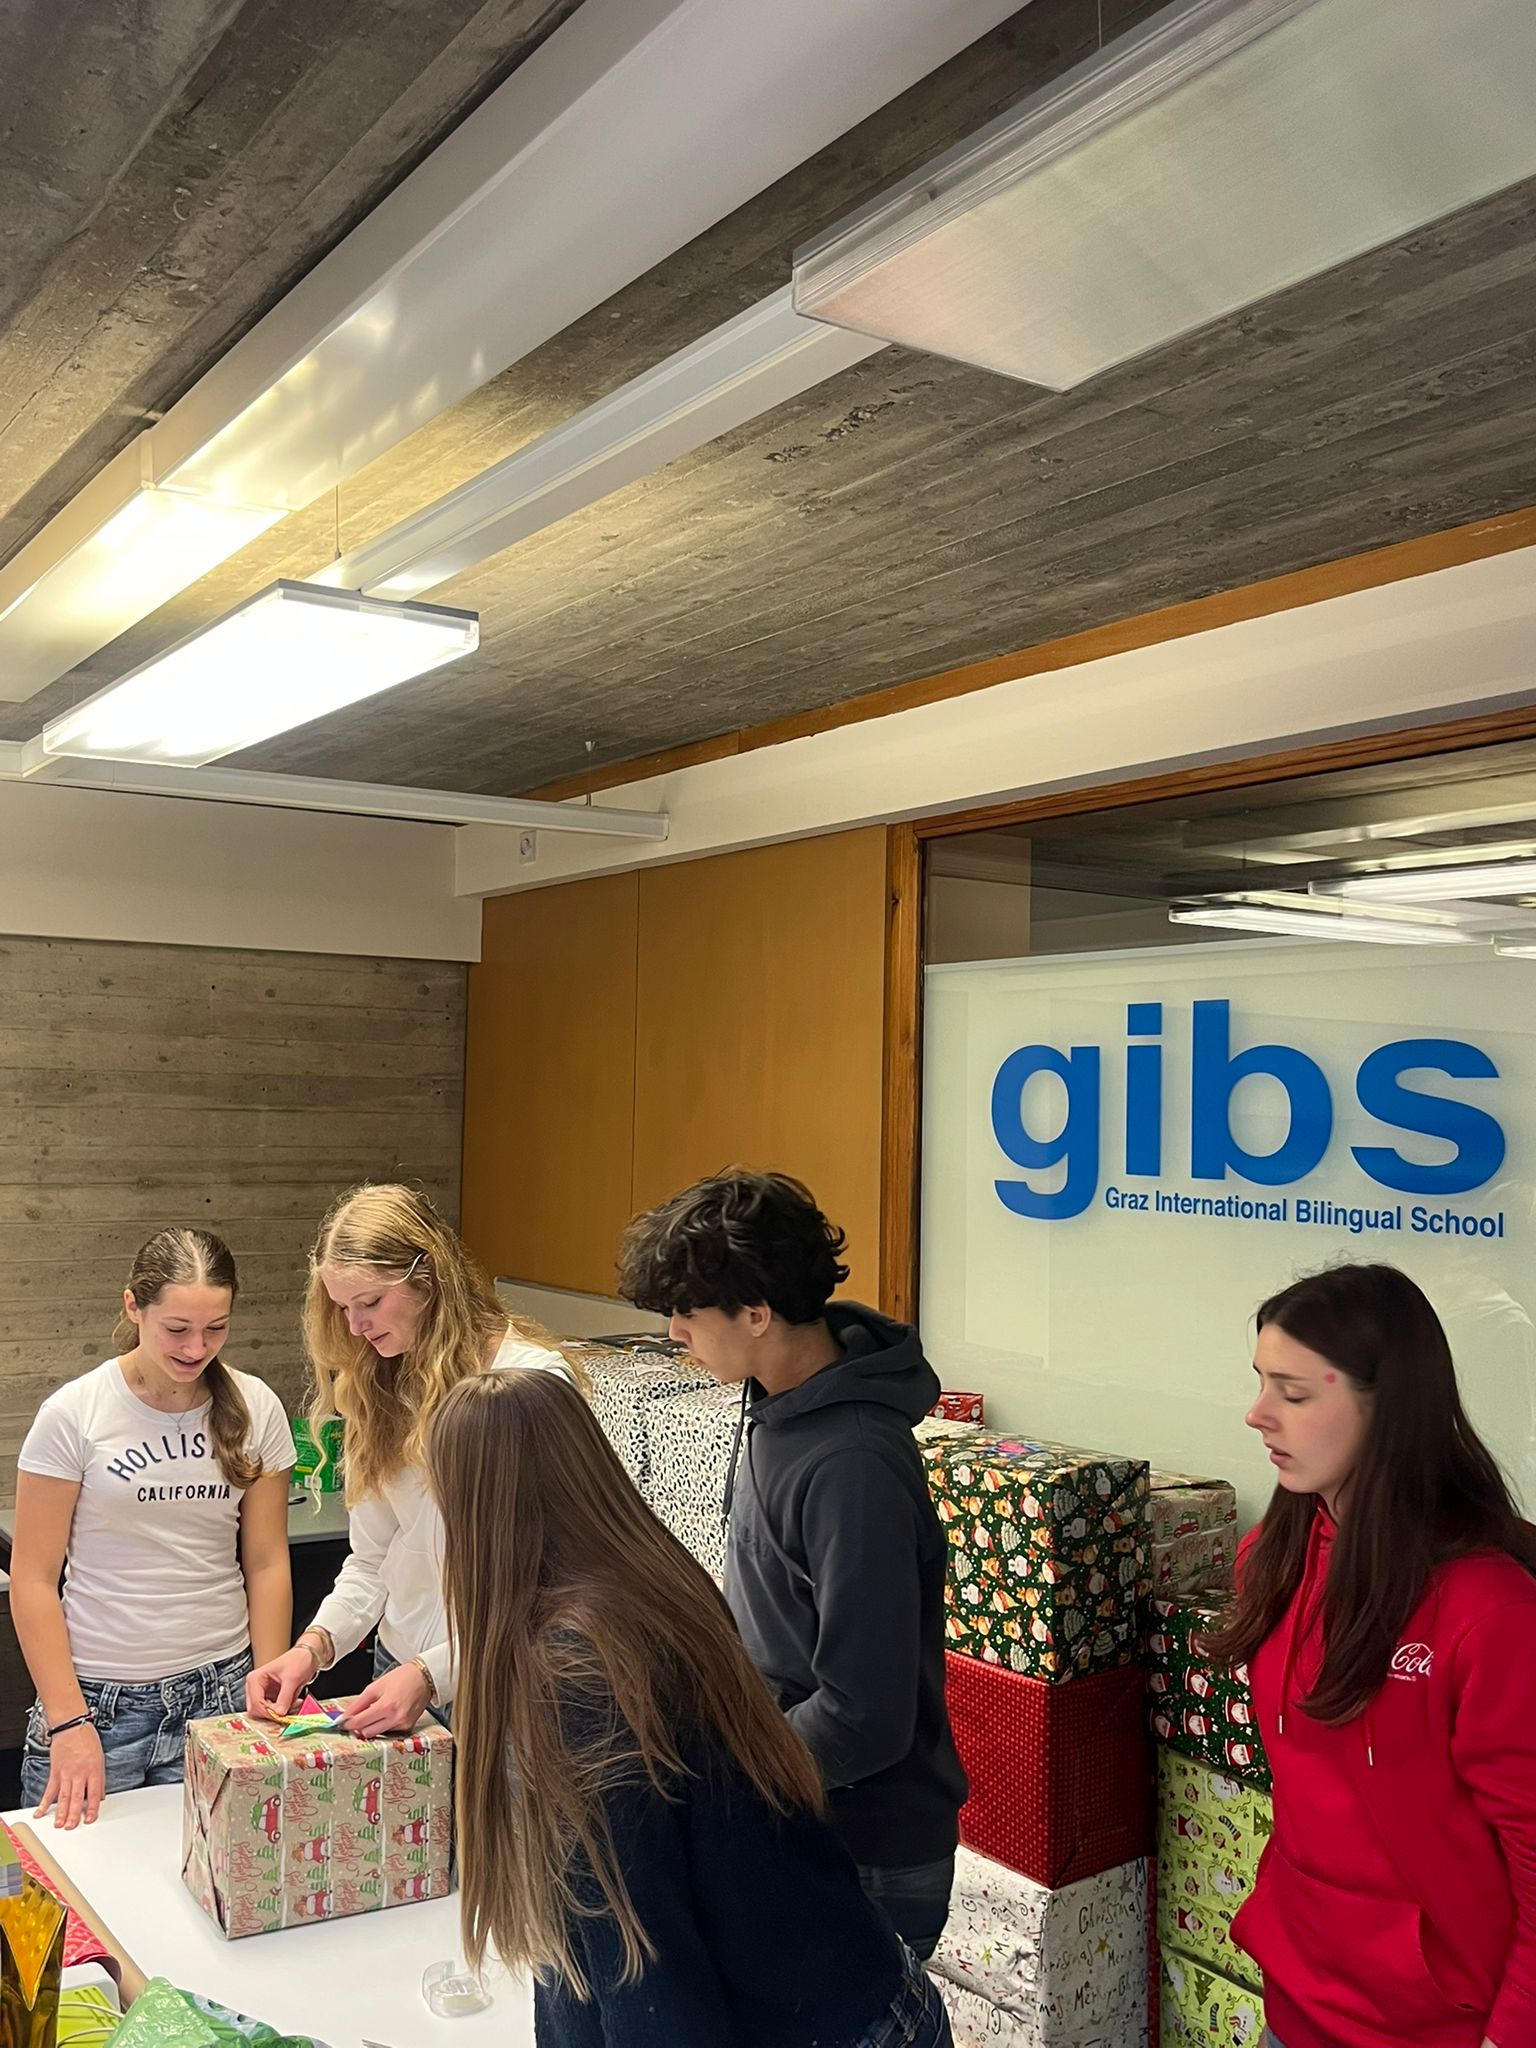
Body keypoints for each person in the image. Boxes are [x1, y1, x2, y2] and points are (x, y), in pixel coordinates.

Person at [427, 1366, 953, 2048]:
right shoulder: (648, 1583)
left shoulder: (577, 1671)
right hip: (855, 1986)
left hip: (830, 2020)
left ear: (475, 1512)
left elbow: (638, 1961)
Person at [616, 1168, 966, 1961]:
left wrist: (723, 1775)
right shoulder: (780, 1402)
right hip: (796, 1808)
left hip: (863, 1848)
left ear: (757, 1313)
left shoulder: (852, 1465)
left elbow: (864, 1715)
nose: (674, 1332)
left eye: (687, 1313)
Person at [1209, 1263, 1536, 2048]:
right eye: (1260, 1382)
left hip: (1437, 2024)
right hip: (1297, 1995)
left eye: (1293, 1394)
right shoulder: (1272, 1560)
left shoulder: (1489, 1614)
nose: (1257, 1414)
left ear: (1387, 1407)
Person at [245, 1182, 572, 1736]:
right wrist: (313, 1646)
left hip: (501, 1682)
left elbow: (547, 1581)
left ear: (429, 1276)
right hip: (398, 1673)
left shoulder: (530, 1382)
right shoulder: (376, 1387)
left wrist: (431, 1673)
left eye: (370, 1303)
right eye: (343, 1308)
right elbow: (373, 1560)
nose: (355, 1326)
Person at [12, 1228, 293, 1828]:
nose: (197, 1347)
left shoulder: (257, 1406)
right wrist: (68, 1721)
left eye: (216, 1328)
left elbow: (267, 1561)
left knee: (213, 1880)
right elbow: (32, 1579)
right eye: (177, 1328)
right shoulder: (74, 1414)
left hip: (222, 1691)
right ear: (133, 1307)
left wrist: (270, 1687)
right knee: (69, 1881)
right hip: (99, 1703)